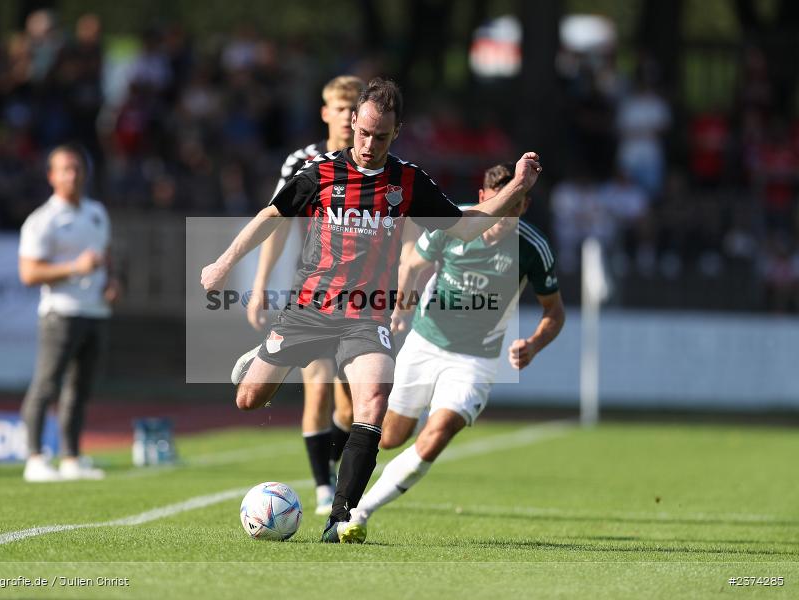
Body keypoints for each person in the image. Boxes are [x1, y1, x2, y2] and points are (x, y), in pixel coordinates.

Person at [199, 78, 542, 542]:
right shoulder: (318, 172)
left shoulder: (408, 180)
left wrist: (516, 187)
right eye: (363, 133)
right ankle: (265, 355)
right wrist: (223, 264)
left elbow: (464, 228)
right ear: (354, 123)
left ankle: (341, 516)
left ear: (395, 133)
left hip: (366, 317)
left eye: (380, 137)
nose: (368, 144)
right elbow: (270, 217)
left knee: (373, 404)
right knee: (248, 400)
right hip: (307, 310)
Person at [346, 164, 565, 540]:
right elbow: (412, 262)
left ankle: (359, 512)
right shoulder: (456, 223)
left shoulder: (533, 248)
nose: (502, 217)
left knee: (439, 431)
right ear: (483, 198)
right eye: (498, 203)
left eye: (513, 207)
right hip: (425, 343)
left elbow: (554, 312)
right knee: (389, 438)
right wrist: (402, 303)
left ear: (524, 206)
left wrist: (533, 344)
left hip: (474, 360)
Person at [245, 75, 362, 515]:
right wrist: (259, 285)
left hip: (357, 294)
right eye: (342, 107)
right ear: (326, 111)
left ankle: (331, 465)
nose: (350, 116)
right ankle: (319, 488)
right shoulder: (305, 161)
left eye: (356, 107)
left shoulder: (373, 162)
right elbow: (276, 220)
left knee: (350, 405)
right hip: (312, 291)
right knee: (317, 387)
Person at [18, 144, 120, 482]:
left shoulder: (96, 212)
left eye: (76, 168)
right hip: (61, 313)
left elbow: (106, 257)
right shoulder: (42, 221)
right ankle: (34, 457)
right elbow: (29, 273)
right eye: (64, 169)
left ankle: (71, 457)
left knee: (80, 389)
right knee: (46, 385)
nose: (72, 175)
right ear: (51, 176)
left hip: (96, 311)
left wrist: (112, 282)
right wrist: (75, 267)